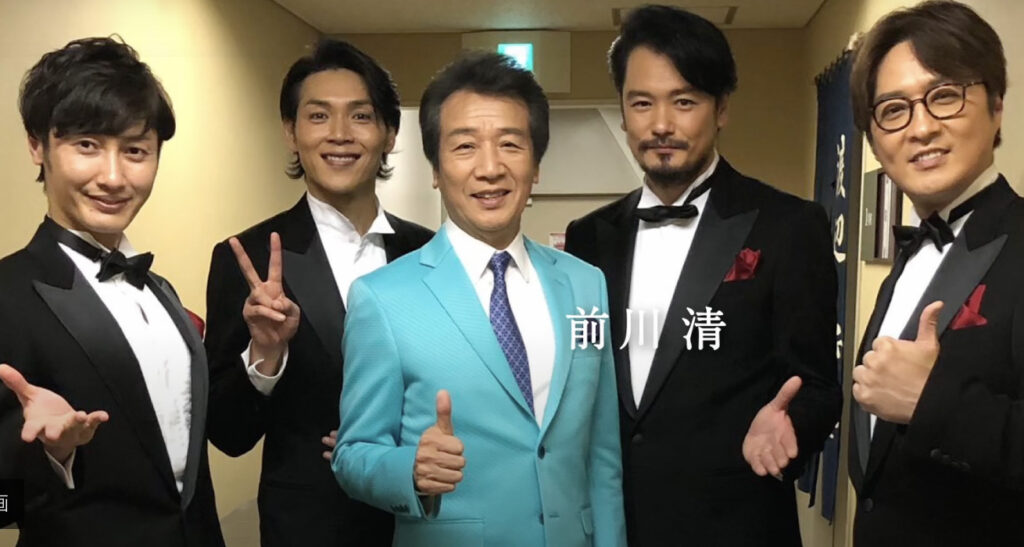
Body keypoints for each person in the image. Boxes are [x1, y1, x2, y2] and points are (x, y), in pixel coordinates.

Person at [564, 5, 841, 545]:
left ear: (721, 109)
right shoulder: (589, 236)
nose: (661, 125)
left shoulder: (788, 225)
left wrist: (789, 430)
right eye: (641, 103)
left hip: (736, 523)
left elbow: (817, 384)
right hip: (613, 525)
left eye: (684, 101)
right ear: (622, 112)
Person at [332, 52, 627, 547]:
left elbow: (602, 454)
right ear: (435, 168)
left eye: (510, 144)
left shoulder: (585, 286)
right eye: (465, 146)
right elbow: (353, 453)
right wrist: (410, 469)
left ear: (536, 165)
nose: (490, 168)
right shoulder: (382, 298)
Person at [204, 39, 432, 546]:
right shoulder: (248, 258)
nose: (340, 134)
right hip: (309, 527)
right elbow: (228, 432)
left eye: (361, 116)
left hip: (425, 521)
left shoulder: (430, 253)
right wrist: (264, 356)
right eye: (318, 116)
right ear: (291, 133)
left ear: (390, 133)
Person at [0, 37, 224, 546]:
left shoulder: (162, 293)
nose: (114, 177)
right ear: (37, 146)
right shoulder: (7, 294)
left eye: (136, 151)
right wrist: (46, 454)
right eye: (87, 145)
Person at [847, 2, 1024, 545]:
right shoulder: (908, 258)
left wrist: (933, 402)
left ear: (996, 105)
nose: (921, 128)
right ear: (874, 138)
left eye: (945, 96)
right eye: (893, 110)